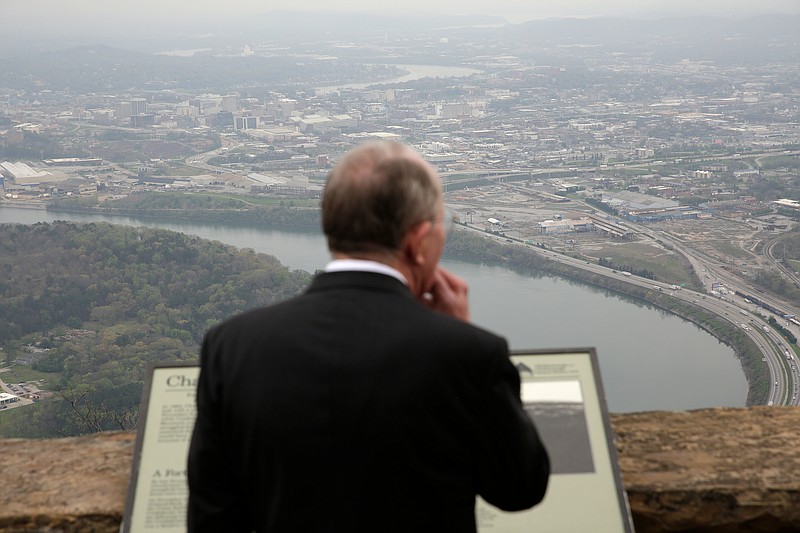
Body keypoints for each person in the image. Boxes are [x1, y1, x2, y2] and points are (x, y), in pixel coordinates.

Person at [187, 141, 549, 532]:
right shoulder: (469, 353)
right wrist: (458, 337)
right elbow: (519, 488)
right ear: (418, 241)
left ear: (332, 225)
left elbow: (213, 518)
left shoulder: (232, 346)